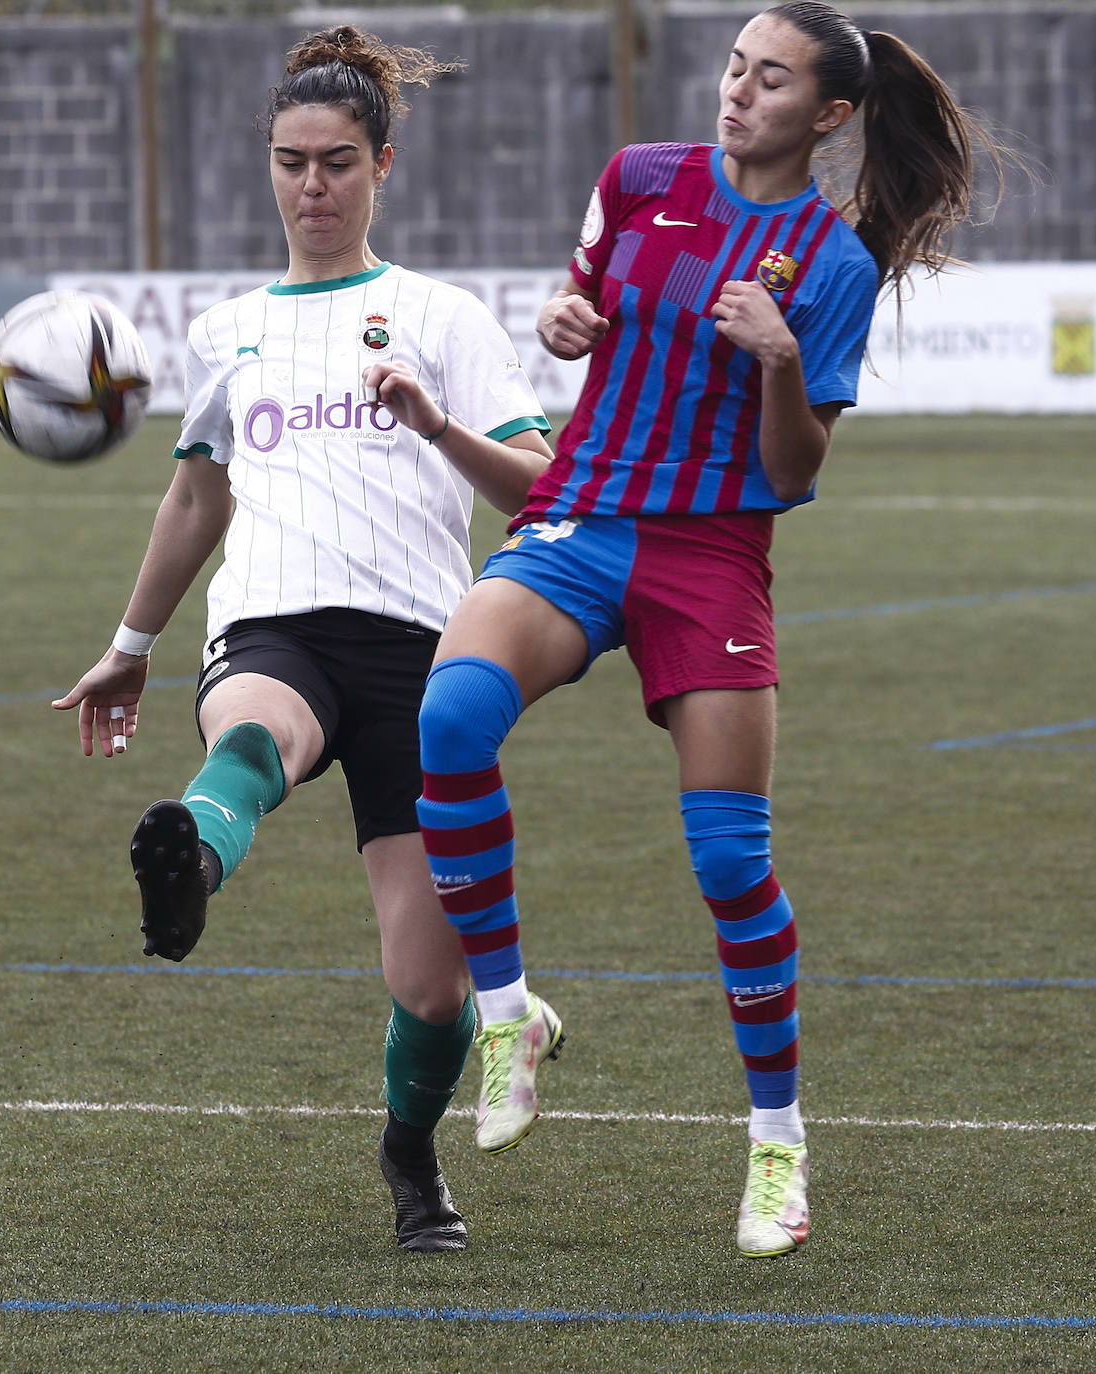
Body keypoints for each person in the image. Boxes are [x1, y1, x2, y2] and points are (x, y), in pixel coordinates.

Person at [414, 0, 1000, 1258]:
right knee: (452, 714)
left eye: (773, 80)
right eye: (735, 66)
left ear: (830, 115)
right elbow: (586, 308)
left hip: (713, 552)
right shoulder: (638, 181)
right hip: (585, 510)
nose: (738, 92)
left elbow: (794, 474)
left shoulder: (831, 264)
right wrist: (564, 321)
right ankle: (509, 1011)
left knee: (731, 862)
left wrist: (781, 358)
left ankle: (778, 1146)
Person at [52, 25, 553, 1255]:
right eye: (291, 162)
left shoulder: (442, 317)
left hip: (423, 661)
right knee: (254, 728)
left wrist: (436, 426)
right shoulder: (228, 332)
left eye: (337, 162)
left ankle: (408, 1154)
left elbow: (536, 484)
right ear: (268, 167)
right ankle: (190, 866)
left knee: (430, 993)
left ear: (384, 165)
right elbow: (196, 498)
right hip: (272, 620)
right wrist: (132, 639)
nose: (312, 186)